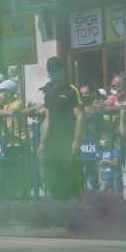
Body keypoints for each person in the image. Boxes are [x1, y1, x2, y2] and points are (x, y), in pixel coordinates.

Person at [39, 57, 84, 201]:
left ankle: (76, 208)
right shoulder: (49, 92)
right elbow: (47, 119)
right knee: (54, 179)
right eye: (50, 72)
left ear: (62, 71)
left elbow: (80, 116)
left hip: (68, 141)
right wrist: (42, 143)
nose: (52, 75)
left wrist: (76, 142)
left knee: (71, 179)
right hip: (52, 142)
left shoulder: (72, 90)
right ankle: (58, 209)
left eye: (55, 71)